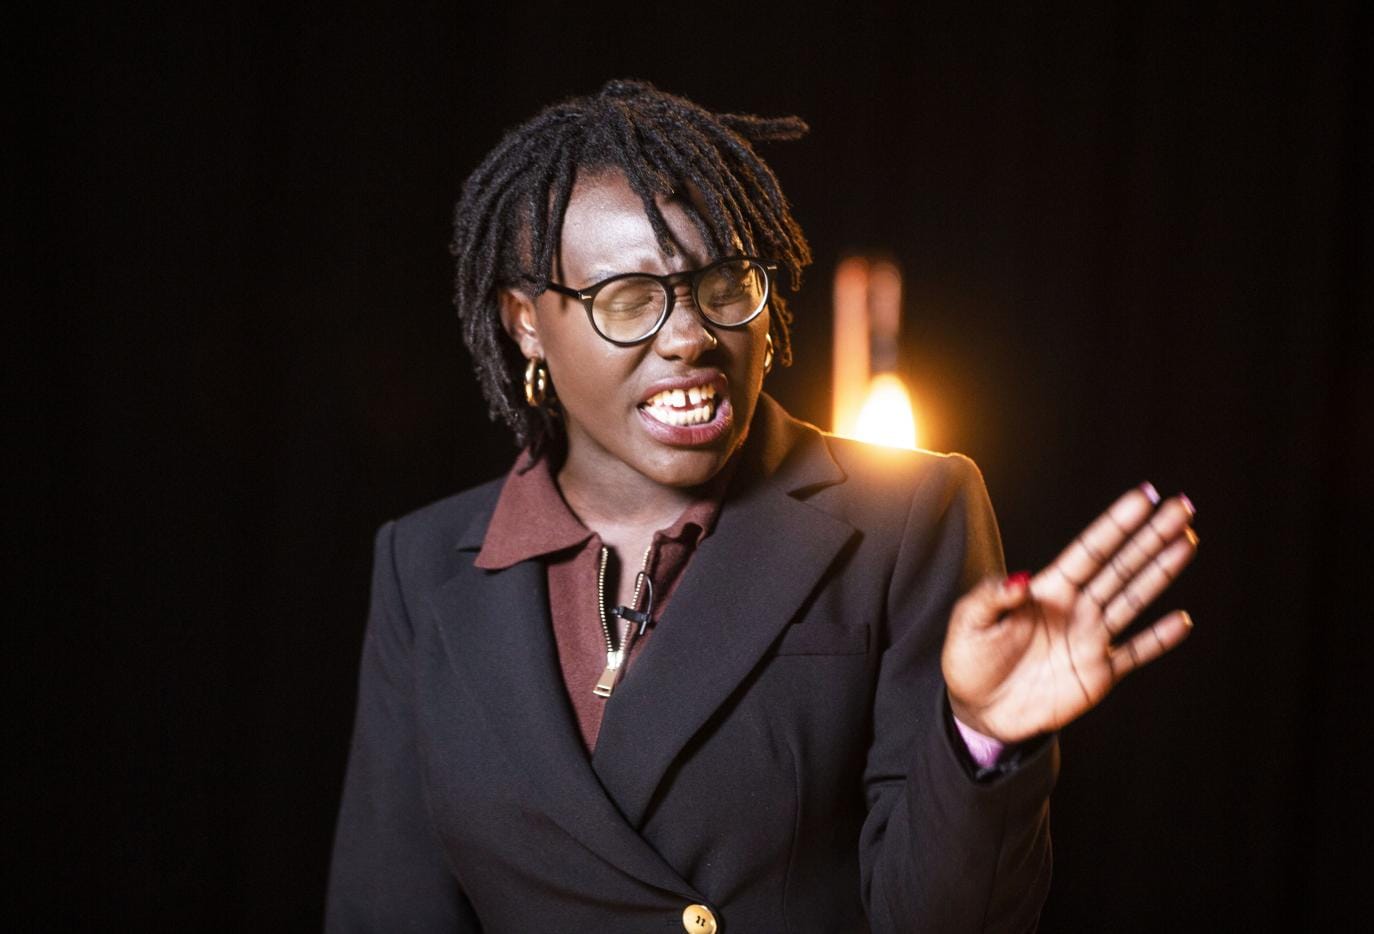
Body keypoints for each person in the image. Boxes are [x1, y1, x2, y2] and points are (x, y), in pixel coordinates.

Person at [326, 80, 1198, 933]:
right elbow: (387, 905)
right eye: (628, 300)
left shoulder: (906, 519)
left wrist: (979, 742)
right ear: (526, 323)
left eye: (725, 284)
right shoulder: (425, 562)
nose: (691, 334)